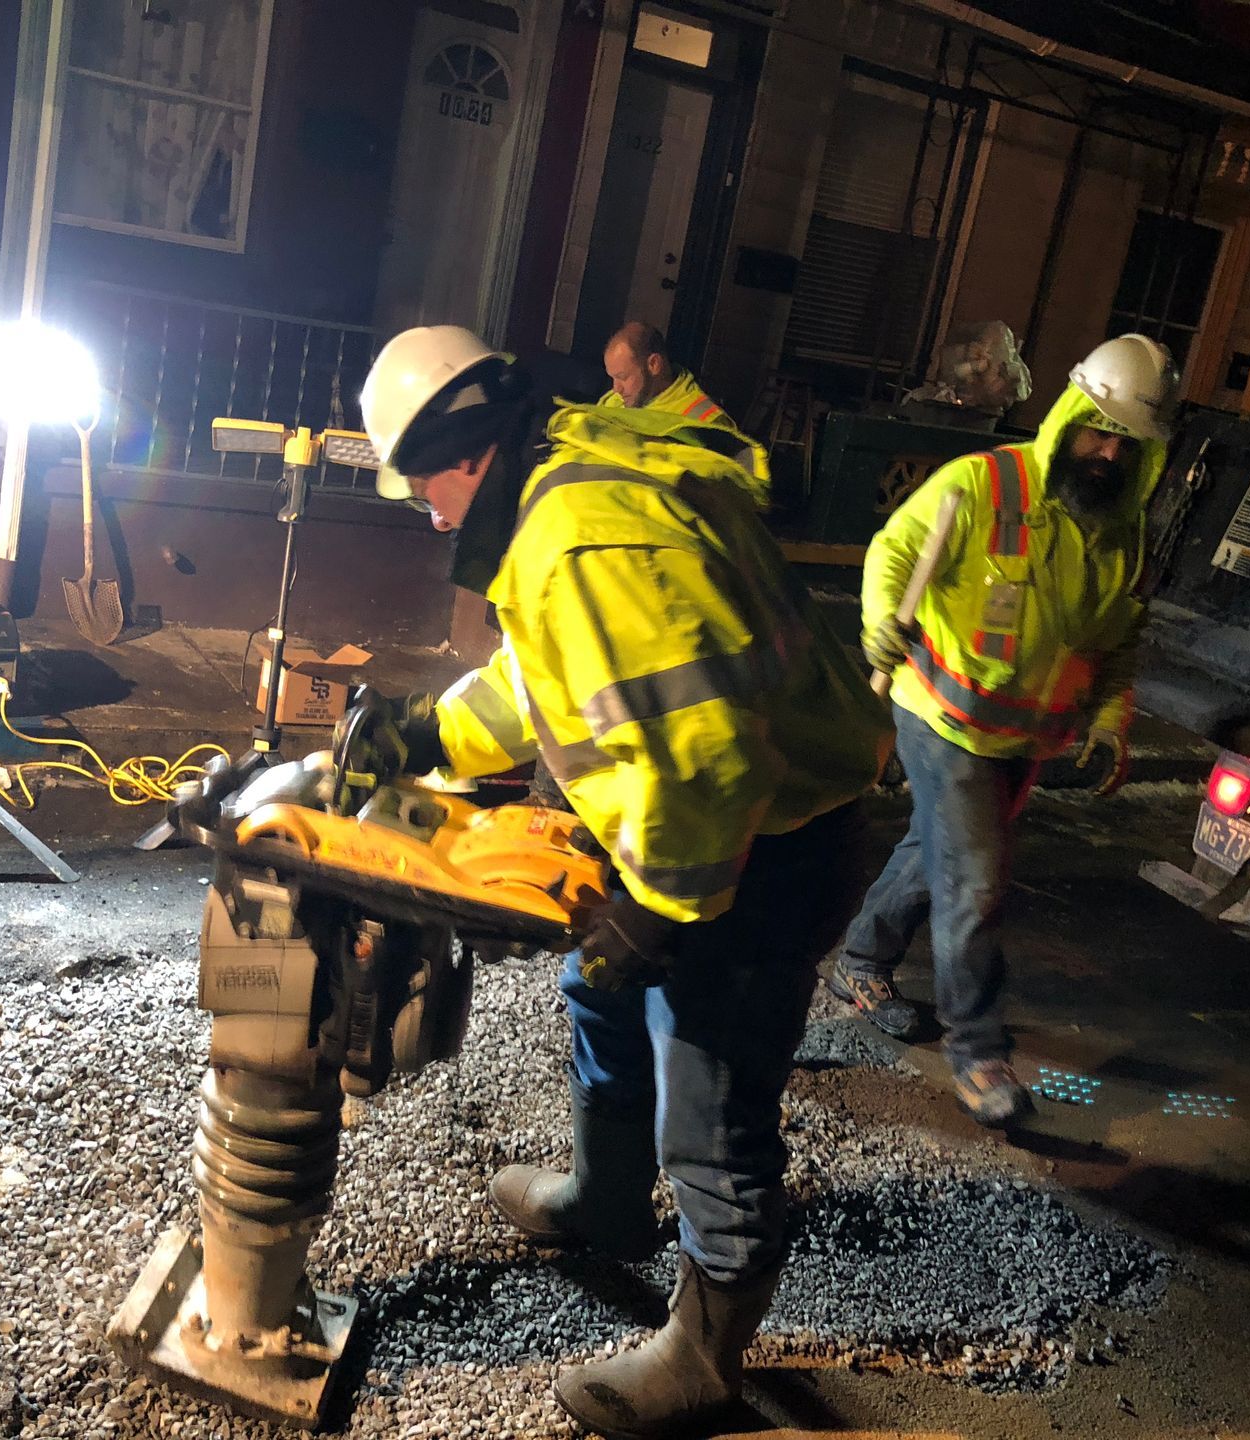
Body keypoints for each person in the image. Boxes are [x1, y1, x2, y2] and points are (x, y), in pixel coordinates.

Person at [340, 324, 892, 1439]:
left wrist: (659, 912)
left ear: (456, 450)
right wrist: (426, 733)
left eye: (417, 490)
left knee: (714, 1092)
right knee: (597, 991)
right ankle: (604, 1203)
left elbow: (711, 757)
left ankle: (705, 1355)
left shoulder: (581, 541)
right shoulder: (558, 487)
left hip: (771, 840)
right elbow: (551, 677)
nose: (426, 512)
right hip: (714, 828)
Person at [827, 333, 1177, 1127]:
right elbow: (893, 554)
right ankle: (977, 1051)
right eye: (1097, 431)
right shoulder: (982, 484)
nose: (1107, 454)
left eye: (1127, 444)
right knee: (976, 883)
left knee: (938, 856)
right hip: (942, 717)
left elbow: (1118, 637)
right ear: (1069, 415)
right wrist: (881, 622)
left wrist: (1112, 720)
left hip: (1025, 742)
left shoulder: (1121, 534)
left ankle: (860, 958)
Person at [601, 320, 734, 427]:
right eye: (613, 378)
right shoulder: (614, 400)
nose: (616, 388)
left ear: (654, 364)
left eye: (622, 377)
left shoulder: (704, 420)